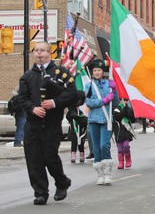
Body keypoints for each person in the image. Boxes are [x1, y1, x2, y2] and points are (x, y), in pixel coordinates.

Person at [18, 42, 77, 205]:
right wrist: (32, 109)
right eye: (36, 51)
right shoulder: (27, 76)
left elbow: (71, 92)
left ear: (49, 53)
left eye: (42, 50)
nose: (38, 54)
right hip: (32, 124)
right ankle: (40, 192)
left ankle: (62, 182)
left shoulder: (60, 73)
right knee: (34, 159)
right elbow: (22, 98)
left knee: (50, 157)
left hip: (51, 124)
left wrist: (55, 102)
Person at [85, 59, 119, 185]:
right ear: (92, 72)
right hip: (94, 119)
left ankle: (108, 172)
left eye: (99, 70)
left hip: (106, 119)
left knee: (104, 145)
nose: (97, 72)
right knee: (96, 148)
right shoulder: (89, 86)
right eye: (95, 70)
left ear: (103, 71)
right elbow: (89, 102)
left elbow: (115, 101)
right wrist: (104, 100)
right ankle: (100, 173)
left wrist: (114, 91)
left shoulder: (108, 84)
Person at [112, 99, 136, 169]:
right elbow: (117, 118)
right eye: (124, 100)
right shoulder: (116, 109)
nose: (126, 101)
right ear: (120, 100)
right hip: (118, 132)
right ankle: (121, 162)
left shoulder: (128, 108)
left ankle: (128, 159)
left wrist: (129, 111)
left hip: (126, 131)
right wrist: (124, 111)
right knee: (119, 149)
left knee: (126, 146)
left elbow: (133, 119)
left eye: (127, 100)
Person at [66, 91, 87, 163]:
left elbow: (83, 121)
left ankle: (82, 154)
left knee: (81, 143)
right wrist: (72, 113)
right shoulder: (71, 111)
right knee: (74, 143)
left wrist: (77, 117)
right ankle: (73, 155)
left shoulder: (80, 112)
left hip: (80, 130)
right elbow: (68, 118)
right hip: (73, 130)